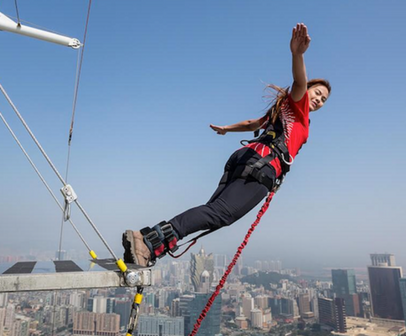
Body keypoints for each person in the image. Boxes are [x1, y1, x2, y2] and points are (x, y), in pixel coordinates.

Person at [123, 23, 331, 267]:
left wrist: (226, 129)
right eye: (316, 93)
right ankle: (147, 240)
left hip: (244, 159)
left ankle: (152, 246)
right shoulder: (299, 110)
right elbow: (298, 82)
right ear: (307, 91)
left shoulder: (282, 109)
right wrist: (298, 55)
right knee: (222, 213)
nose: (318, 99)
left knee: (214, 211)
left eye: (323, 100)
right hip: (261, 167)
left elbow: (252, 123)